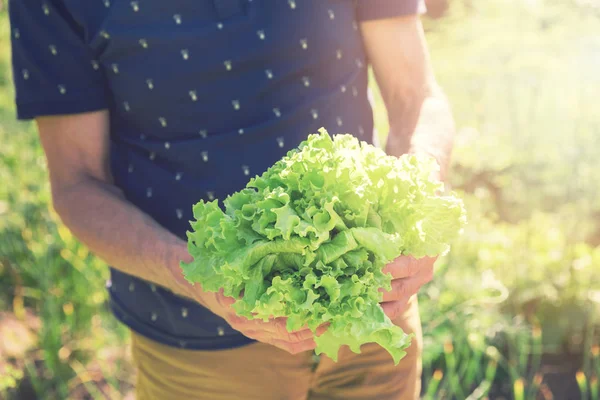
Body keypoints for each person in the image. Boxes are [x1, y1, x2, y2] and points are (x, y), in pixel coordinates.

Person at [8, 1, 455, 399]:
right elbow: (77, 183)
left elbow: (415, 94)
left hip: (371, 315)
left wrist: (419, 199)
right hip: (197, 349)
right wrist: (190, 273)